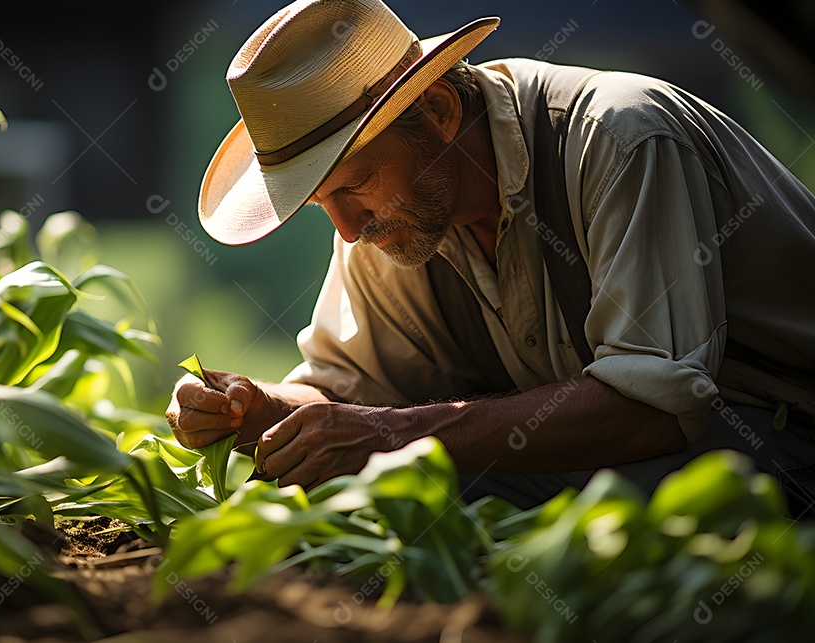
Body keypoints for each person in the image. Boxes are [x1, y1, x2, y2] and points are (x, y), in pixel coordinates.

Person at [165, 0, 815, 513]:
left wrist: (396, 434)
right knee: (366, 499)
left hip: (780, 442)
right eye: (320, 205)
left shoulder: (619, 141)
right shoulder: (395, 218)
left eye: (354, 186)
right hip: (628, 468)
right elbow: (347, 392)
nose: (348, 229)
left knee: (423, 492)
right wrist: (260, 409)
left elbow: (658, 405)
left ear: (441, 110)